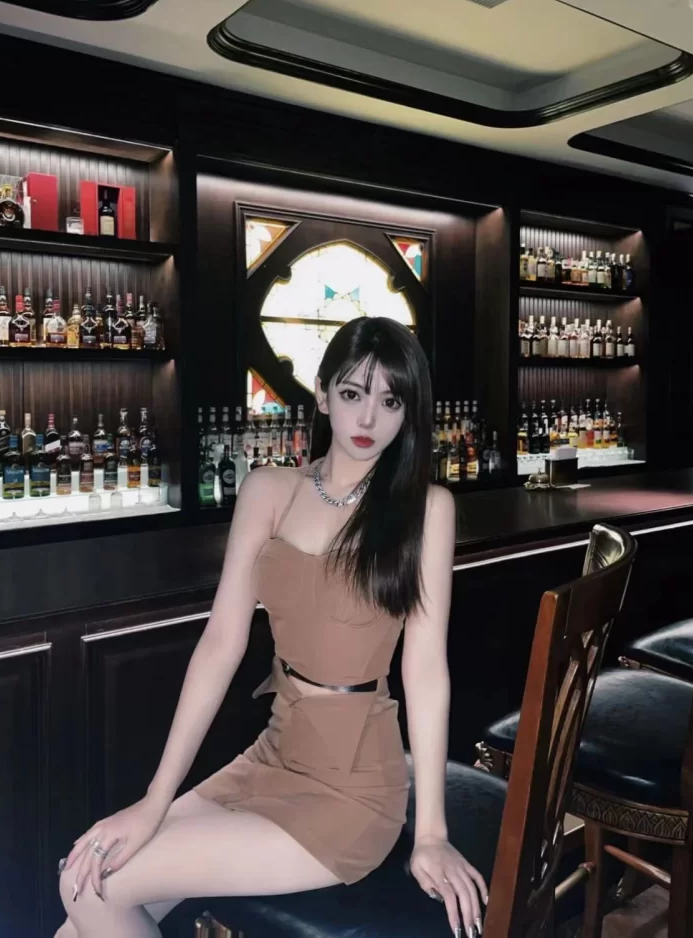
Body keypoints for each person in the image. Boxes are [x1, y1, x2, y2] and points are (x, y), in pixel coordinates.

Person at [57, 316, 487, 938]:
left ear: (409, 412)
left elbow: (424, 670)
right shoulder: (269, 489)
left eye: (391, 401)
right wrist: (155, 800)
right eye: (352, 394)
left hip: (354, 790)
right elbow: (220, 644)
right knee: (80, 904)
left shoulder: (426, 510)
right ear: (323, 394)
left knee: (90, 885)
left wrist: (432, 835)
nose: (368, 418)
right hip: (271, 755)